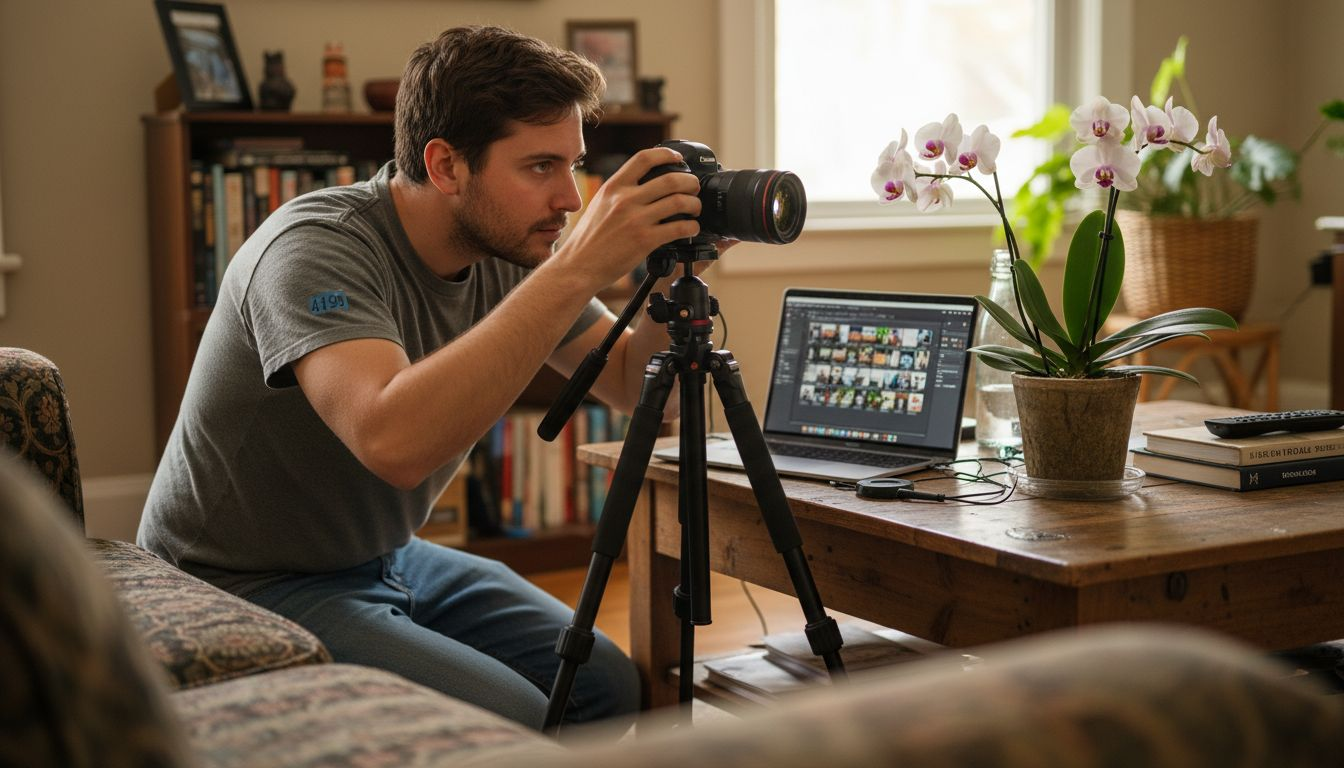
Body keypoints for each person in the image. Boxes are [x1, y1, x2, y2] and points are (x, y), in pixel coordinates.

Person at [138, 25, 710, 729]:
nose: (570, 197)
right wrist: (575, 270)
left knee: (606, 687)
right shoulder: (313, 249)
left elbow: (629, 379)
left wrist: (678, 272)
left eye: (574, 164)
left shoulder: (508, 246)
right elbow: (394, 442)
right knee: (520, 719)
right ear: (445, 165)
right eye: (540, 167)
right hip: (241, 577)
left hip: (384, 555)